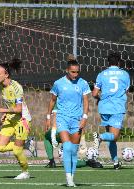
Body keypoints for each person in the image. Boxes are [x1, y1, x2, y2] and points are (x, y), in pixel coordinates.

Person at [46, 59, 90, 187]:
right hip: (62, 118)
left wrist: (84, 118)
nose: (75, 74)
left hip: (77, 119)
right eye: (73, 72)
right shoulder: (58, 83)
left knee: (74, 150)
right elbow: (52, 101)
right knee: (67, 147)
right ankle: (68, 179)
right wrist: (48, 117)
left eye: (77, 72)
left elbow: (86, 101)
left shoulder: (83, 83)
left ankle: (72, 176)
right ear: (67, 70)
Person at [0, 59, 32, 180]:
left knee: (17, 151)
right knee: (0, 147)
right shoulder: (1, 87)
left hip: (22, 120)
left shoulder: (16, 87)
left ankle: (25, 172)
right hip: (10, 118)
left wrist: (0, 110)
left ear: (6, 74)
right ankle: (25, 144)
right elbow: (10, 105)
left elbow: (19, 109)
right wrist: (5, 115)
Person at [92, 52, 130, 170]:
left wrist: (101, 98)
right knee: (114, 136)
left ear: (108, 62)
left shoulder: (102, 74)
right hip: (117, 108)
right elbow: (126, 91)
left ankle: (115, 162)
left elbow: (94, 93)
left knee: (111, 136)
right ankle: (99, 137)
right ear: (119, 62)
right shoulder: (124, 74)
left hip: (104, 107)